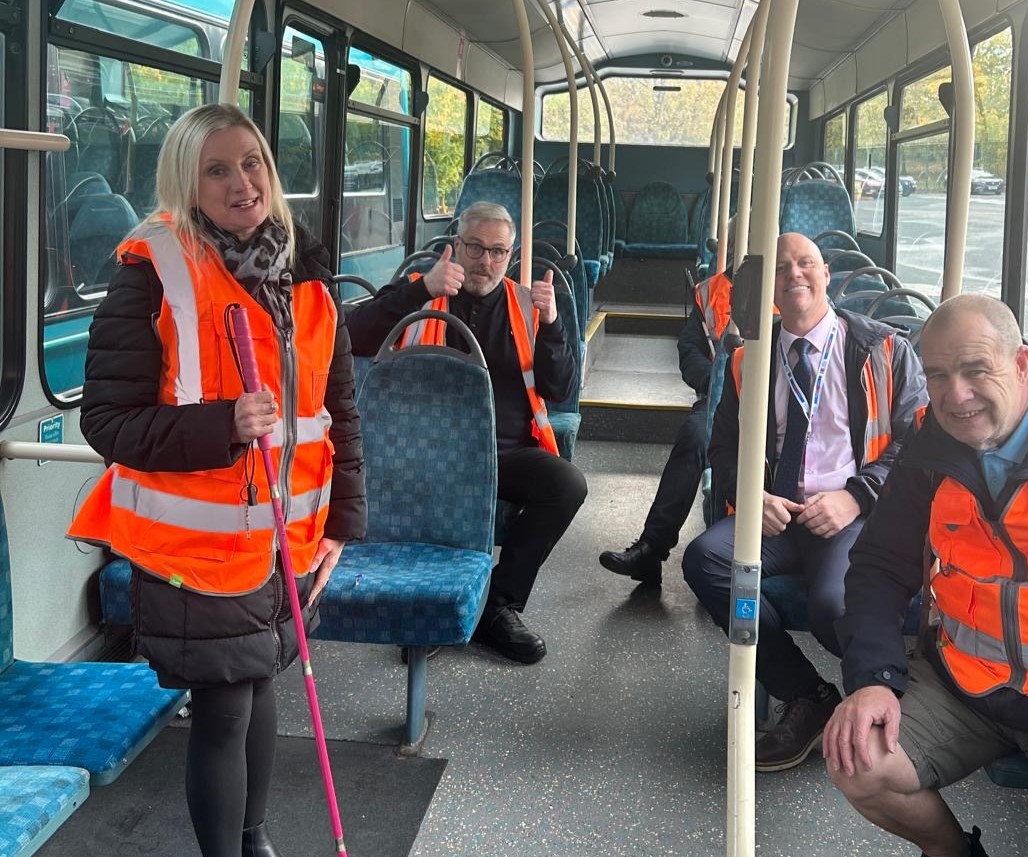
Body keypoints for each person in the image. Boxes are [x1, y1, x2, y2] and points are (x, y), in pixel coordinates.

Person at [68, 104, 365, 857]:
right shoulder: (153, 274)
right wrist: (221, 425)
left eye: (252, 163)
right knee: (226, 706)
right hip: (194, 548)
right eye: (217, 170)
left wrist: (342, 519)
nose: (243, 183)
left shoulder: (304, 271)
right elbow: (107, 421)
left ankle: (252, 836)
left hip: (284, 538)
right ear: (186, 182)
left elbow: (338, 409)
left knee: (261, 686)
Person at [823, 295, 1028, 857]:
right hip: (965, 685)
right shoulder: (929, 446)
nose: (956, 395)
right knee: (858, 760)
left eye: (976, 369)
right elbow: (879, 565)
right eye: (937, 375)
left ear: (1021, 363)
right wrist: (872, 679)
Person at [683, 232, 926, 771]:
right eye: (782, 267)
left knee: (832, 606)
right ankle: (808, 695)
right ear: (770, 287)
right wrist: (751, 495)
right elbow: (722, 448)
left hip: (852, 515)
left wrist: (856, 496)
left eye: (806, 263)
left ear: (826, 275)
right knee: (706, 560)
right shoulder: (748, 358)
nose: (794, 274)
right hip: (777, 513)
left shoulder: (884, 351)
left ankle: (885, 696)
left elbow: (916, 445)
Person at [347, 201, 587, 665]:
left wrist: (554, 325)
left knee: (566, 485)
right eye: (475, 247)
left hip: (505, 453)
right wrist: (421, 289)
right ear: (456, 245)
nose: (485, 261)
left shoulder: (527, 305)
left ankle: (496, 608)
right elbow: (353, 334)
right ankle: (433, 607)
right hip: (426, 450)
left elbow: (560, 389)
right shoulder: (423, 290)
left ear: (510, 255)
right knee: (436, 486)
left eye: (498, 252)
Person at [599, 266, 733, 584]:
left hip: (780, 402)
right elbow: (690, 352)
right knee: (695, 435)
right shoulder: (710, 292)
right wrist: (719, 381)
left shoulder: (789, 286)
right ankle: (652, 548)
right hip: (724, 398)